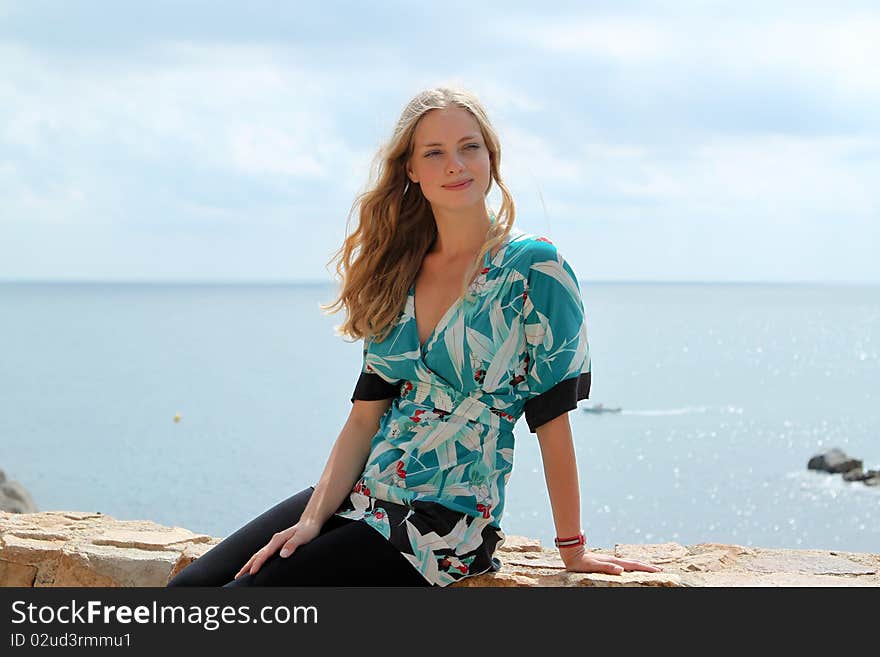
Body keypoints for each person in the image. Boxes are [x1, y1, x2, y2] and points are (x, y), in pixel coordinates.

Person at [167, 86, 661, 587]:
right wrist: (315, 517)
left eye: (469, 147)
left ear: (491, 157)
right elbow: (364, 418)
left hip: (443, 523)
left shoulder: (535, 268)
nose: (455, 165)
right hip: (364, 493)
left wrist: (572, 548)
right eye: (434, 153)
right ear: (411, 169)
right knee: (187, 590)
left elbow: (552, 418)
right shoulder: (398, 271)